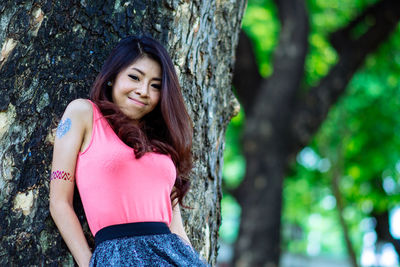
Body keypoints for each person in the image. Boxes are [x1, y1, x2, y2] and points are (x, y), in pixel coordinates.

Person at [49, 35, 208, 266]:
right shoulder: (83, 113)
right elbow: (59, 203)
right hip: (117, 255)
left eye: (155, 85)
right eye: (134, 77)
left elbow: (175, 226)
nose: (143, 90)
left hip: (172, 254)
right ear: (112, 77)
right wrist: (87, 262)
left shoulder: (161, 140)